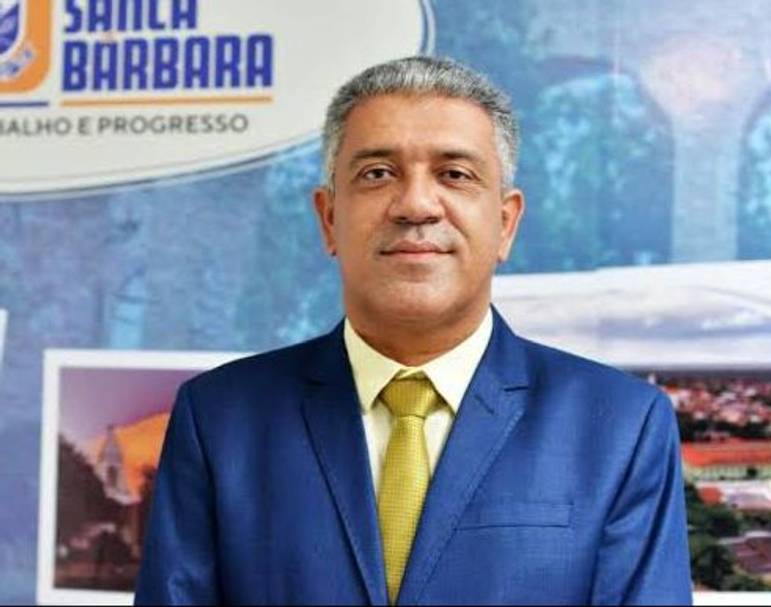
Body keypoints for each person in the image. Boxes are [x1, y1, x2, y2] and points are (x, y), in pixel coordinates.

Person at [135, 56, 692, 605]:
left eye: (455, 174)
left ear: (505, 223)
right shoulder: (220, 418)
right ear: (329, 218)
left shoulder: (621, 425)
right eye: (378, 174)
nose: (417, 205)